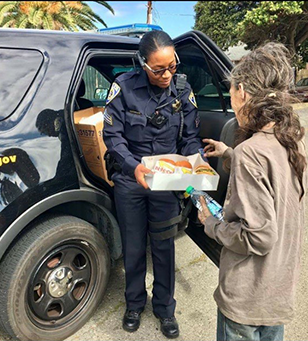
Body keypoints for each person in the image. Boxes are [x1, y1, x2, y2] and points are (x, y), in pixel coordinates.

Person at [198, 42, 307, 341]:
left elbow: (258, 236)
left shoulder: (251, 153)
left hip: (247, 296)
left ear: (242, 91)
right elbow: (274, 181)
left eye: (231, 91)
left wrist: (211, 223)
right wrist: (230, 154)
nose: (231, 99)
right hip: (277, 288)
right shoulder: (291, 139)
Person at [103, 30, 201, 338]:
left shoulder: (182, 89)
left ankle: (165, 309)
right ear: (143, 64)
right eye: (158, 69)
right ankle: (134, 304)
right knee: (133, 247)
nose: (166, 74)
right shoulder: (124, 87)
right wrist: (133, 168)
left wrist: (197, 167)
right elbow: (112, 136)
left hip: (167, 180)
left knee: (163, 246)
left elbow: (190, 138)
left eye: (171, 66)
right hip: (131, 180)